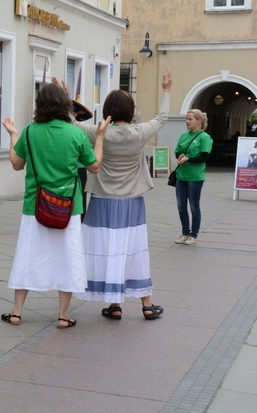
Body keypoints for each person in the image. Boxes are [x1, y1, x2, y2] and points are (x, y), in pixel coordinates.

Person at [64, 70, 172, 321]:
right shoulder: (140, 132)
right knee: (133, 248)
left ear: (107, 111)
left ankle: (114, 304)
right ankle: (146, 304)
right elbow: (162, 117)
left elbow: (72, 123)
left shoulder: (98, 132)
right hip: (132, 201)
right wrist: (166, 90)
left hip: (102, 199)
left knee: (107, 248)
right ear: (131, 111)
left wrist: (68, 99)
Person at [0, 83, 109, 329]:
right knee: (68, 258)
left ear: (40, 105)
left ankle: (16, 311)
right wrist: (100, 137)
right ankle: (63, 315)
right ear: (65, 106)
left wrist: (14, 135)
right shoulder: (76, 134)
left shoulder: (29, 132)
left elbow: (17, 164)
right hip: (68, 207)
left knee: (27, 257)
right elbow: (94, 166)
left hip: (35, 206)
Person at [174, 109, 213, 246]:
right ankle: (185, 232)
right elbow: (178, 151)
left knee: (194, 207)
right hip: (181, 176)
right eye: (186, 118)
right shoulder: (184, 135)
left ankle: (193, 234)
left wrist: (188, 159)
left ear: (198, 121)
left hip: (195, 177)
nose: (187, 121)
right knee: (181, 206)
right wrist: (179, 156)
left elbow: (204, 157)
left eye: (190, 119)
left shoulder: (204, 137)